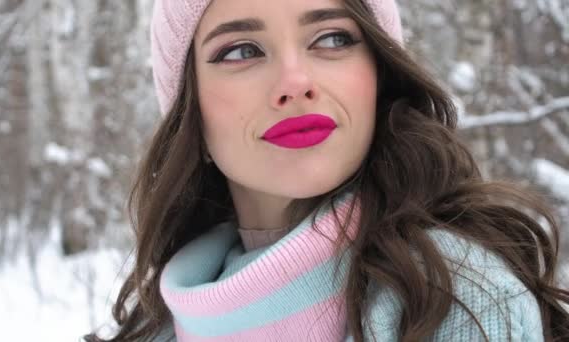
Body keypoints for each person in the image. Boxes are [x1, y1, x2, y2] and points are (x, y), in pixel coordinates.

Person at [85, 0, 569, 341]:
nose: (295, 84)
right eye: (241, 50)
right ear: (190, 111)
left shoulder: (456, 302)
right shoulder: (158, 326)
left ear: (380, 75)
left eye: (332, 38)